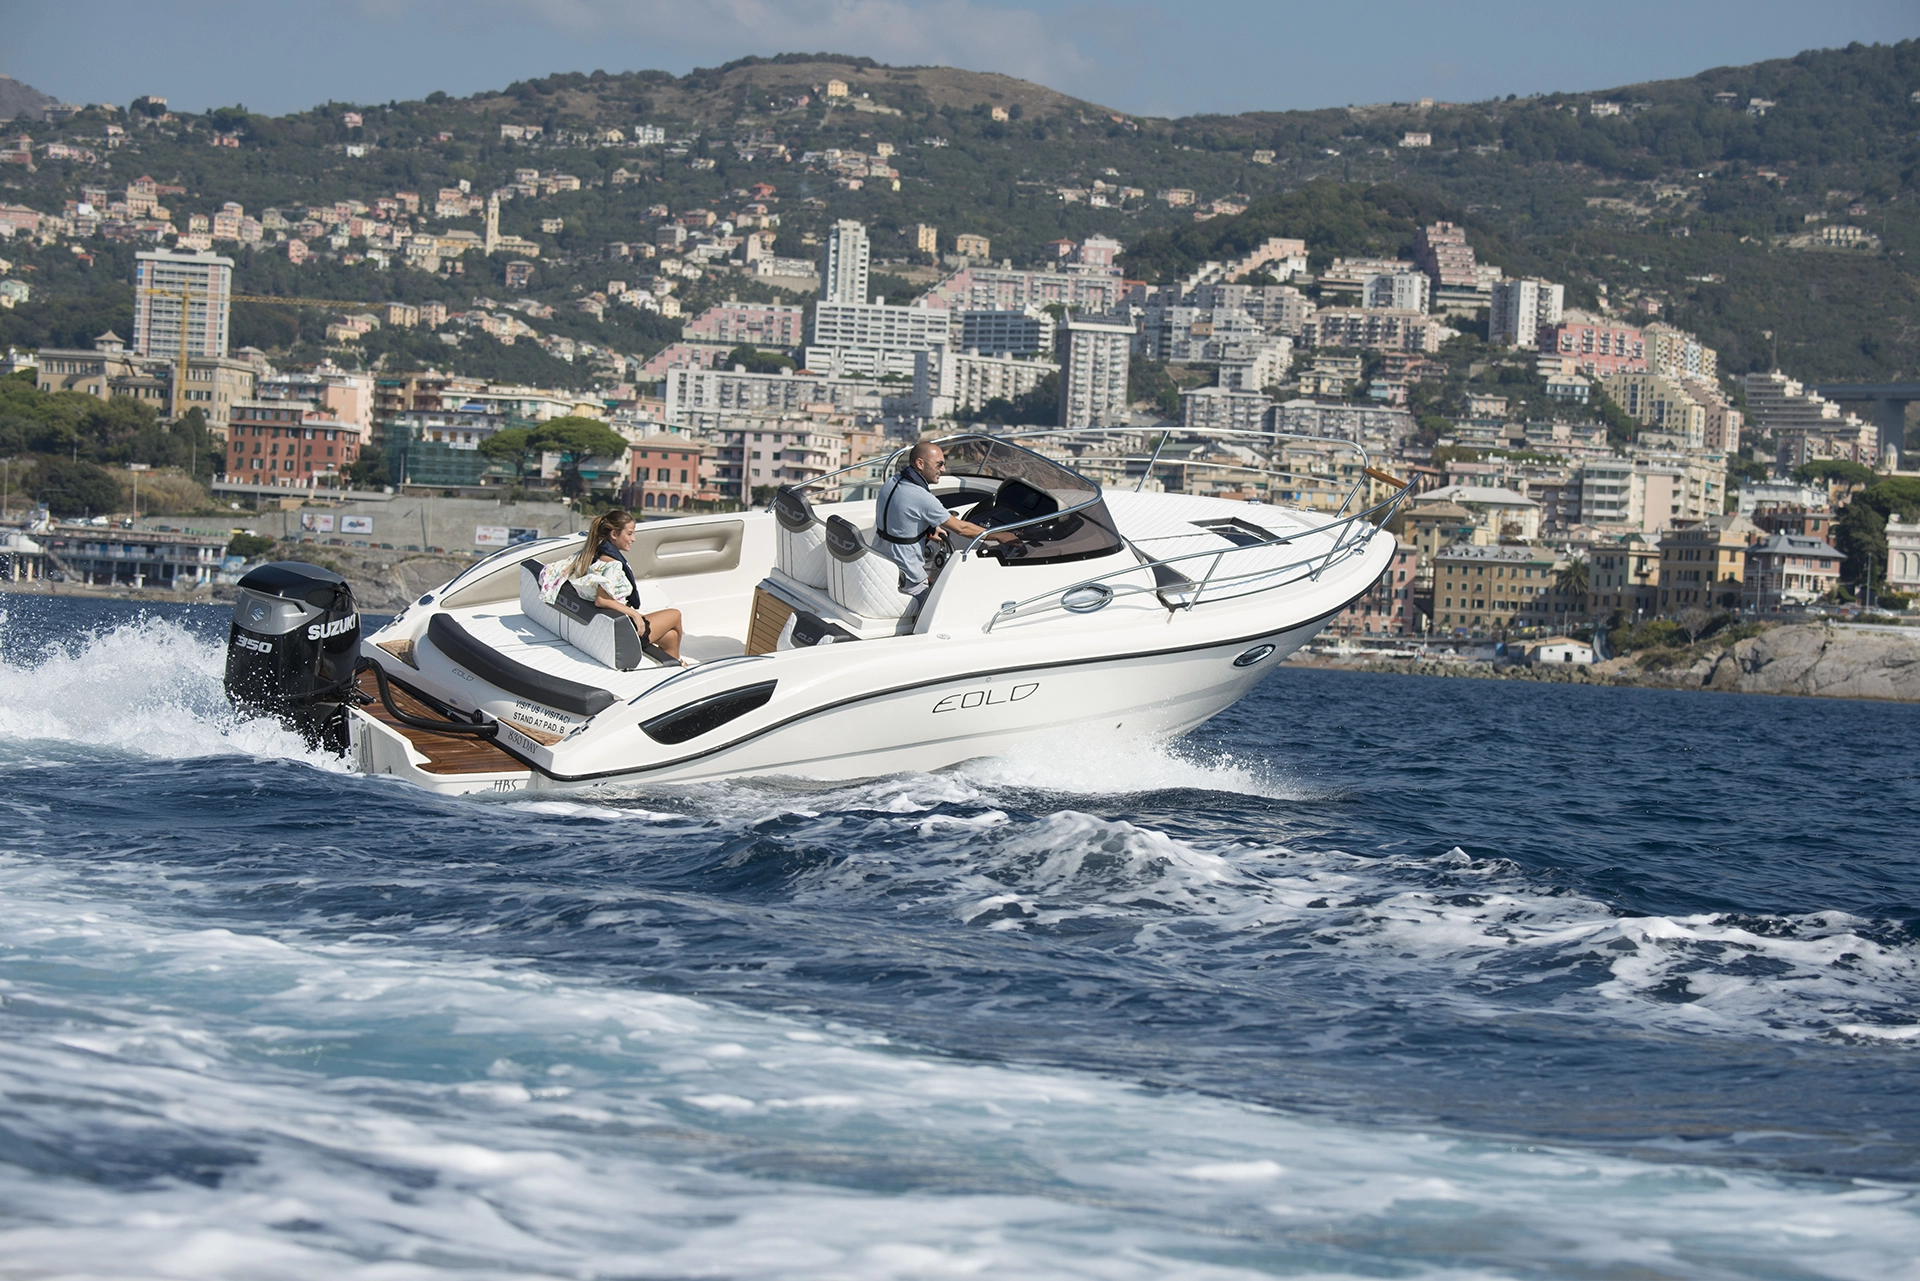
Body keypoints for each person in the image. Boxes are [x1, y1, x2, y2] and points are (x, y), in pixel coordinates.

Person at [872, 441, 1014, 603]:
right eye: (939, 464)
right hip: (908, 580)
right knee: (955, 603)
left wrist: (929, 530)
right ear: (920, 463)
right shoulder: (922, 497)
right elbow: (962, 528)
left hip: (882, 566)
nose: (943, 470)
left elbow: (900, 518)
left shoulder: (892, 482)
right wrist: (1000, 536)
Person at [561, 509, 689, 665]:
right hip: (624, 630)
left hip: (607, 624)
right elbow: (601, 600)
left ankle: (673, 664)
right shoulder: (612, 565)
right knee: (675, 614)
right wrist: (635, 615)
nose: (633, 539)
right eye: (629, 534)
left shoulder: (594, 554)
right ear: (614, 534)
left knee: (671, 637)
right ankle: (677, 662)